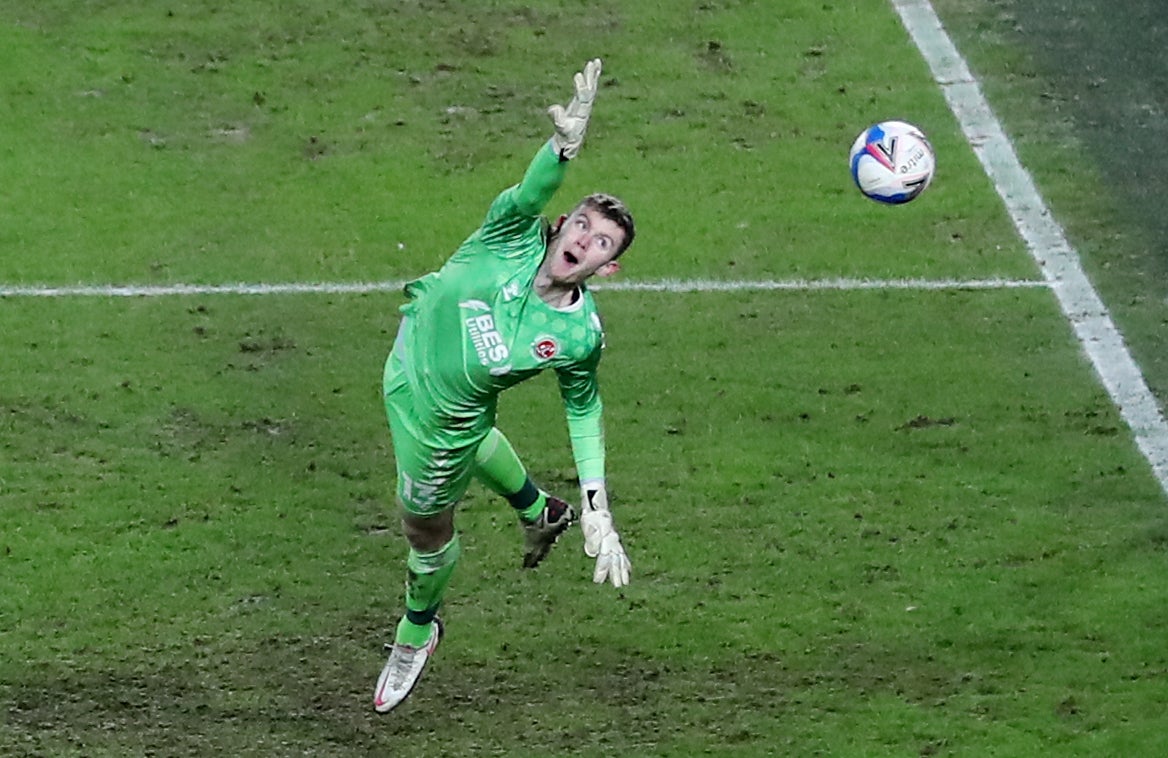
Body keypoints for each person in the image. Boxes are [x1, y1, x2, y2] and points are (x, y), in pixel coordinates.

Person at [374, 58, 635, 713]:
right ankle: (537, 509)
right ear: (563, 223)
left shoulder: (577, 336)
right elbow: (529, 191)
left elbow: (584, 408)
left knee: (424, 531)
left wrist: (599, 505)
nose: (586, 239)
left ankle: (416, 632)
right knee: (475, 431)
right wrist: (561, 148)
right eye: (582, 224)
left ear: (607, 268)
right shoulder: (510, 234)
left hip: (440, 431)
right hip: (407, 358)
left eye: (602, 242)